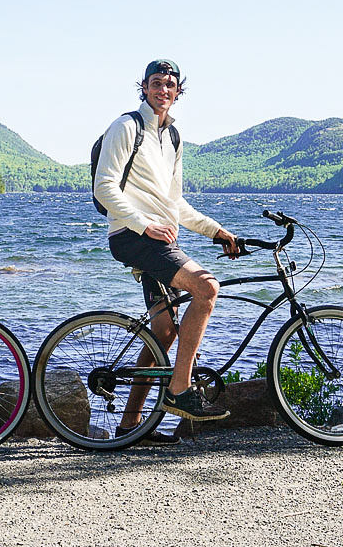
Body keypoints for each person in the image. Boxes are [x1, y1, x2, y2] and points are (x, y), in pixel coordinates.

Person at [94, 59, 239, 443]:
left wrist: (216, 231)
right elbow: (104, 187)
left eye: (170, 85)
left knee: (162, 332)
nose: (163, 90)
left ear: (178, 92)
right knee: (207, 288)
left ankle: (130, 426)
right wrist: (144, 224)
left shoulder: (172, 137)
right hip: (133, 237)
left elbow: (175, 204)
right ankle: (179, 389)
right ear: (143, 87)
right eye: (156, 83)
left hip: (160, 239)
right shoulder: (127, 127)